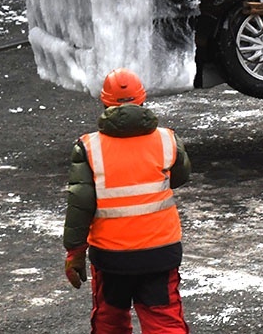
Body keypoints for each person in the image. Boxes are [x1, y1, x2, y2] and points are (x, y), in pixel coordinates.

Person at [62, 68, 192, 334]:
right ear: (142, 100)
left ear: (105, 103)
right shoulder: (167, 139)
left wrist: (75, 252)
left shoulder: (89, 147)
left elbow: (80, 204)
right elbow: (180, 177)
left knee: (110, 321)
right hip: (160, 252)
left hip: (111, 257)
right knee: (165, 321)